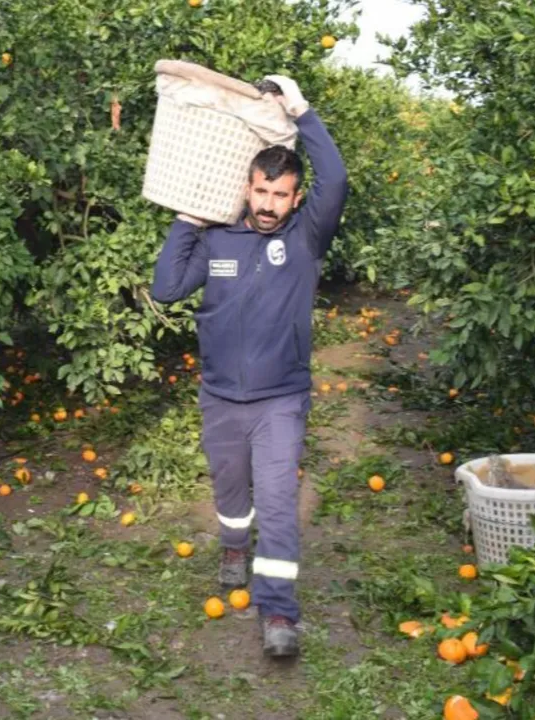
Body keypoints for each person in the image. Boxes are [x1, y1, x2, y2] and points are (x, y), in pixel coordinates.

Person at [149, 75, 348, 657]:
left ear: (295, 197)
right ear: (247, 186)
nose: (267, 205)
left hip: (280, 398)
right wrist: (187, 221)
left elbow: (334, 178)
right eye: (260, 192)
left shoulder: (308, 238)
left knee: (280, 501)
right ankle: (233, 546)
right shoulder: (218, 238)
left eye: (280, 195)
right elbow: (166, 289)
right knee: (231, 489)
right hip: (219, 396)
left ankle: (279, 613)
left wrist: (302, 109)